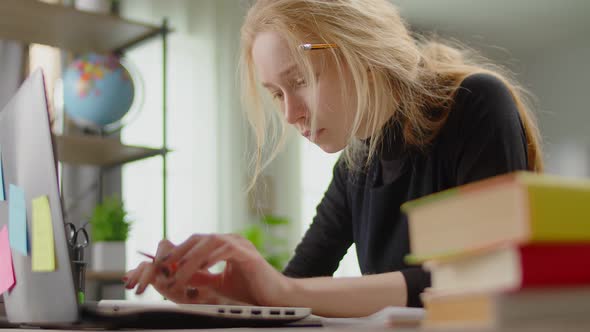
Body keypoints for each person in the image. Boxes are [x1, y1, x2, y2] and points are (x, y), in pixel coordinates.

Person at [123, 0, 543, 318]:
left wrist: (282, 292)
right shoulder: (356, 165)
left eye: (301, 80)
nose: (290, 114)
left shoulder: (477, 104)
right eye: (276, 93)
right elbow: (297, 286)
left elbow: (481, 282)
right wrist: (214, 293)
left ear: (361, 52)